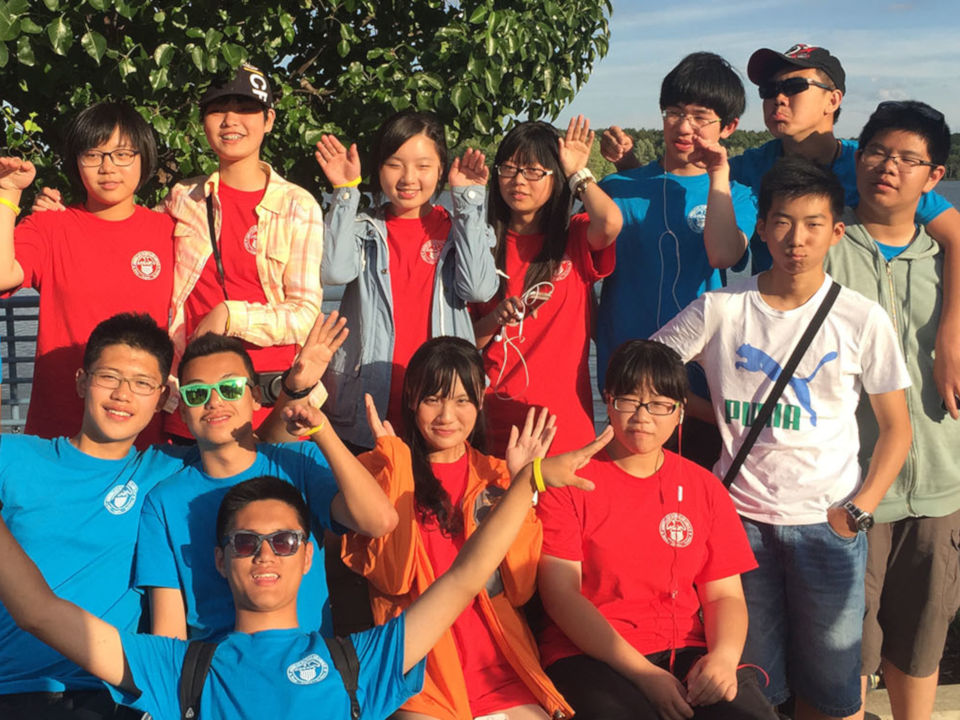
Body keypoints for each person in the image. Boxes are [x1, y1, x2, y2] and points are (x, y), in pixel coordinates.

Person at [0, 412, 611, 720]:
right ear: (220, 561)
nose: (266, 553)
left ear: (309, 555)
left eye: (285, 541)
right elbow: (38, 611)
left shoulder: (358, 662)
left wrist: (528, 483)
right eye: (246, 543)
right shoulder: (179, 668)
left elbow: (465, 577)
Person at [652, 157, 913, 720]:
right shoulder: (723, 308)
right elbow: (645, 371)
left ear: (836, 231)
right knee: (752, 683)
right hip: (738, 523)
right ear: (763, 228)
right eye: (783, 222)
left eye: (813, 224)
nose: (797, 238)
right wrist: (711, 413)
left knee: (832, 686)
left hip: (827, 523)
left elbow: (898, 428)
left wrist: (858, 512)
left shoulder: (861, 318)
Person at [603, 44, 960, 420]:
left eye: (794, 87)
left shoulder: (870, 166)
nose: (778, 99)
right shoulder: (748, 169)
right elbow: (686, 190)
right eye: (769, 90)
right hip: (782, 345)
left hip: (859, 340)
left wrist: (950, 336)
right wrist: (630, 168)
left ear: (833, 99)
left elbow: (954, 235)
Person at [537, 339, 775, 720]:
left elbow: (723, 596)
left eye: (659, 404)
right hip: (591, 654)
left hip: (685, 649)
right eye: (629, 400)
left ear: (680, 411)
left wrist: (724, 659)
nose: (642, 416)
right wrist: (644, 675)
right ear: (608, 400)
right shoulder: (569, 481)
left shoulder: (703, 487)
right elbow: (561, 596)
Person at [341, 336, 573, 720]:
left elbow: (520, 588)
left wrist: (521, 489)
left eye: (462, 400)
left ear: (480, 401)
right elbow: (393, 578)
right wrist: (395, 464)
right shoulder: (380, 469)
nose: (447, 416)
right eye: (433, 399)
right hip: (420, 676)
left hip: (500, 667)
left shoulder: (497, 475)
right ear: (411, 399)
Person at [822, 100, 959, 720]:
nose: (888, 167)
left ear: (934, 177)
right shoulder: (826, 246)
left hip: (939, 484)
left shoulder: (944, 262)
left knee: (921, 641)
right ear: (858, 157)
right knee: (848, 648)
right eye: (877, 152)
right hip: (852, 485)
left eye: (908, 159)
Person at [134, 329, 397, 641]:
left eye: (230, 388)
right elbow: (168, 634)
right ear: (182, 410)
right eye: (197, 393)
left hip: (307, 659)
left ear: (256, 397)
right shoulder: (163, 501)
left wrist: (323, 431)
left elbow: (379, 521)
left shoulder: (298, 462)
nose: (214, 401)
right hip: (214, 663)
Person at [0, 313, 188, 719]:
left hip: (110, 695)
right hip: (12, 689)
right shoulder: (13, 457)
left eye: (142, 383)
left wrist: (296, 391)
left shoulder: (171, 472)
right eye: (109, 377)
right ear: (82, 382)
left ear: (162, 398)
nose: (123, 394)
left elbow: (256, 461)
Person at [598, 52, 757, 469]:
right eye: (674, 113)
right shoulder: (616, 188)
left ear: (729, 126)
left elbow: (723, 254)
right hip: (626, 389)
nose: (684, 127)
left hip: (701, 391)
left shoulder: (738, 196)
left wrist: (717, 174)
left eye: (700, 117)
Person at [316, 110, 498, 450]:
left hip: (441, 406)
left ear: (441, 169)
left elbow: (478, 288)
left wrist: (470, 203)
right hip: (368, 402)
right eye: (394, 164)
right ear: (378, 168)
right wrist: (344, 192)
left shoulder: (457, 231)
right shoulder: (363, 229)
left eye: (423, 166)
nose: (408, 178)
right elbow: (334, 272)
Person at [161, 63, 325, 438]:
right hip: (194, 397)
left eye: (246, 108)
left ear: (269, 120)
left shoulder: (298, 205)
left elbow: (304, 314)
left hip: (275, 399)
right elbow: (130, 242)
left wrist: (231, 315)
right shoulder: (182, 199)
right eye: (218, 109)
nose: (230, 120)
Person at [0, 103, 174, 444]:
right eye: (93, 155)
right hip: (60, 430)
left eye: (122, 154)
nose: (108, 167)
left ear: (144, 157)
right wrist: (8, 196)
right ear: (76, 162)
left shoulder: (170, 231)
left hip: (143, 434)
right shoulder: (50, 226)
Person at [471, 118, 621, 456]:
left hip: (563, 425)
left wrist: (578, 174)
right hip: (494, 421)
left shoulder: (575, 237)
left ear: (556, 177)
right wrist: (495, 318)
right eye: (509, 169)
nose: (518, 180)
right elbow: (467, 339)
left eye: (534, 171)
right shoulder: (480, 245)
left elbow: (610, 222)